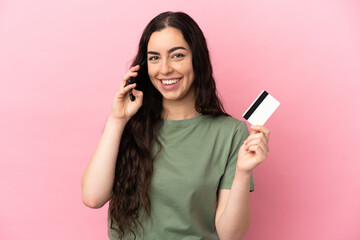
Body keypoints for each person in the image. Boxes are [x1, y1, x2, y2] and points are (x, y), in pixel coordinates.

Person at [81, 11, 270, 240]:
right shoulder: (128, 124)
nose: (165, 69)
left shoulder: (230, 132)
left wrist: (242, 172)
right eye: (154, 58)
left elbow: (230, 234)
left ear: (197, 59)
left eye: (177, 55)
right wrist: (117, 120)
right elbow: (92, 197)